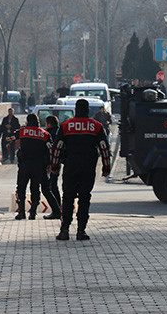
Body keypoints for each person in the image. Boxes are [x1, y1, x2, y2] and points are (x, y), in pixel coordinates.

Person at [51, 99, 111, 241]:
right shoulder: (96, 126)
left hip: (71, 166)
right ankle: (81, 231)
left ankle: (64, 230)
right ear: (88, 109)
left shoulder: (66, 126)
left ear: (76, 110)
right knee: (85, 197)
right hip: (88, 167)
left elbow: (57, 147)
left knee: (68, 197)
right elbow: (104, 147)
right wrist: (106, 167)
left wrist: (54, 167)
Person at [10, 114, 61, 220]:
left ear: (28, 121)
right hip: (39, 166)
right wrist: (50, 164)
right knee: (35, 189)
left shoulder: (22, 131)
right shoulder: (45, 134)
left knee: (21, 188)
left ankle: (21, 212)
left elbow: (11, 138)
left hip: (24, 165)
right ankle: (32, 213)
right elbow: (50, 149)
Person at [44, 115, 62, 214]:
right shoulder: (60, 132)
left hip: (51, 163)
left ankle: (57, 210)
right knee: (54, 186)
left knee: (50, 188)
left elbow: (48, 150)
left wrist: (48, 164)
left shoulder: (49, 134)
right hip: (58, 162)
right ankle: (58, 208)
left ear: (49, 124)